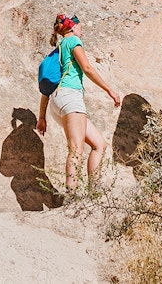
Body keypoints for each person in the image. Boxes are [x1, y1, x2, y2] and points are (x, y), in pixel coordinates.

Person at [36, 14, 121, 191]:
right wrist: (109, 90)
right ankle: (72, 196)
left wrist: (42, 117)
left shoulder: (58, 49)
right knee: (76, 149)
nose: (81, 31)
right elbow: (87, 68)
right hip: (70, 98)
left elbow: (48, 87)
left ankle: (94, 192)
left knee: (99, 144)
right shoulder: (73, 41)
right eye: (80, 27)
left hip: (58, 101)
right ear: (72, 28)